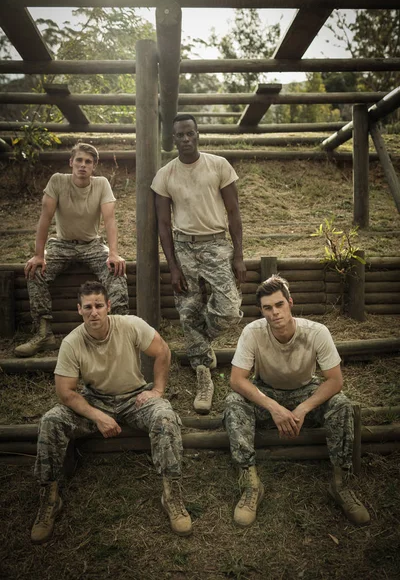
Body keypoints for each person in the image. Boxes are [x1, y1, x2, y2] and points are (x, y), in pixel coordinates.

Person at [30, 280, 192, 544]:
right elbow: (65, 392)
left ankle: (171, 494)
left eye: (98, 305)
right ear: (79, 310)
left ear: (108, 306)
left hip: (134, 398)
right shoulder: (72, 342)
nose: (93, 312)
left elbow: (162, 350)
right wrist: (97, 415)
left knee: (165, 417)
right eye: (87, 307)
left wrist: (158, 391)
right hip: (96, 401)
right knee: (51, 420)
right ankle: (49, 499)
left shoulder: (129, 325)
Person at [224, 275, 370, 527]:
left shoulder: (316, 332)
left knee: (342, 405)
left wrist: (303, 408)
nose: (274, 313)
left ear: (290, 302)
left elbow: (335, 381)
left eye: (279, 305)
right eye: (267, 308)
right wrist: (274, 407)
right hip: (267, 391)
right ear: (261, 311)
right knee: (233, 402)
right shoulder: (252, 332)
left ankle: (340, 484)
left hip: (305, 390)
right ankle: (251, 485)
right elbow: (237, 380)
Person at [151, 114, 246, 415]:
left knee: (230, 309)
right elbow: (163, 225)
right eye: (181, 135)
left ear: (198, 134)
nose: (186, 139)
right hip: (184, 247)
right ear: (174, 139)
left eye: (191, 133)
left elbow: (234, 213)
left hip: (217, 244)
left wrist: (239, 255)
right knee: (188, 309)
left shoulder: (219, 165)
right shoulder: (165, 175)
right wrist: (173, 266)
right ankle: (203, 375)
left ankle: (200, 343)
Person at [15, 142, 129, 357]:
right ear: (71, 162)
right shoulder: (58, 181)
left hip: (93, 244)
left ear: (93, 166)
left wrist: (113, 253)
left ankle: (119, 333)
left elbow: (110, 220)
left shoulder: (102, 184)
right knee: (34, 271)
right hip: (61, 244)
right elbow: (45, 218)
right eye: (79, 160)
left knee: (116, 270)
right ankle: (44, 333)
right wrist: (39, 255)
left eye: (88, 162)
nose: (83, 165)